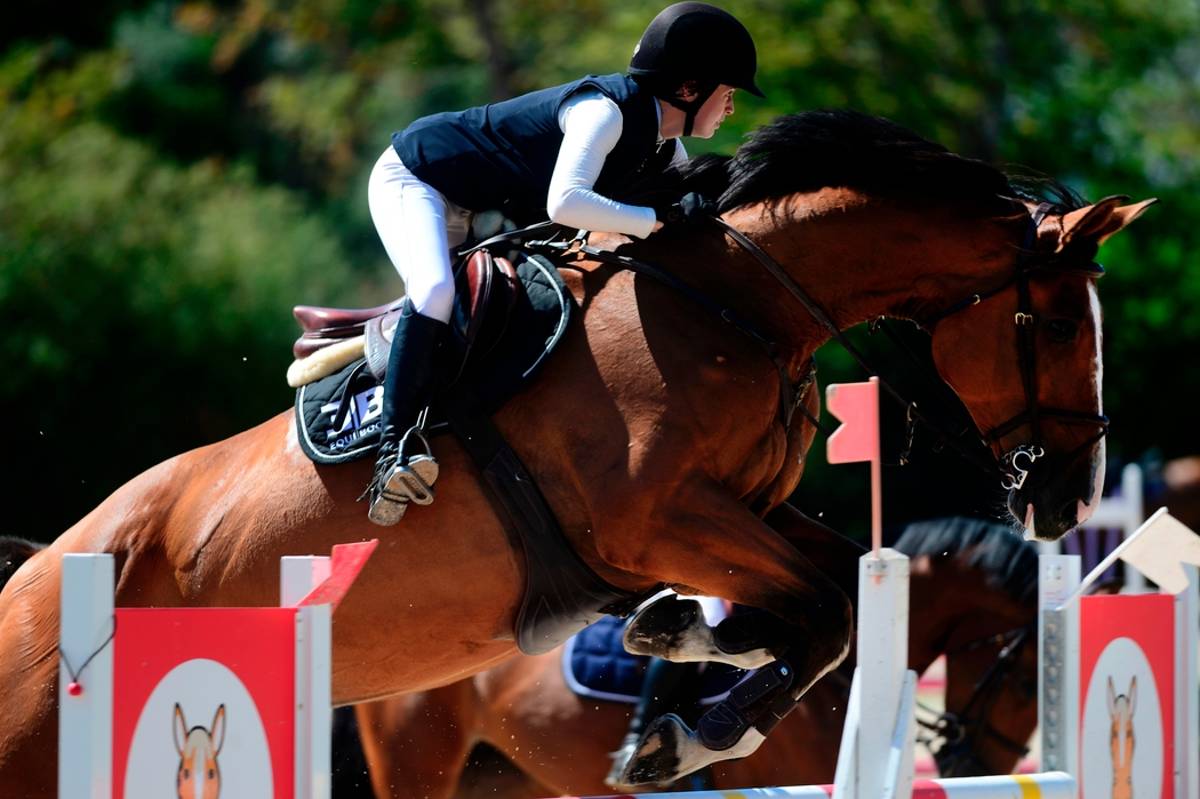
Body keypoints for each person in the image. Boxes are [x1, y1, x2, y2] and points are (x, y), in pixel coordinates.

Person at [364, 2, 763, 524]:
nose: (730, 108)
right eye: (727, 93)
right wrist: (659, 215)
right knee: (435, 289)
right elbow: (565, 203)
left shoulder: (666, 149)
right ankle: (392, 451)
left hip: (476, 207)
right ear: (689, 90)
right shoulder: (605, 112)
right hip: (419, 178)